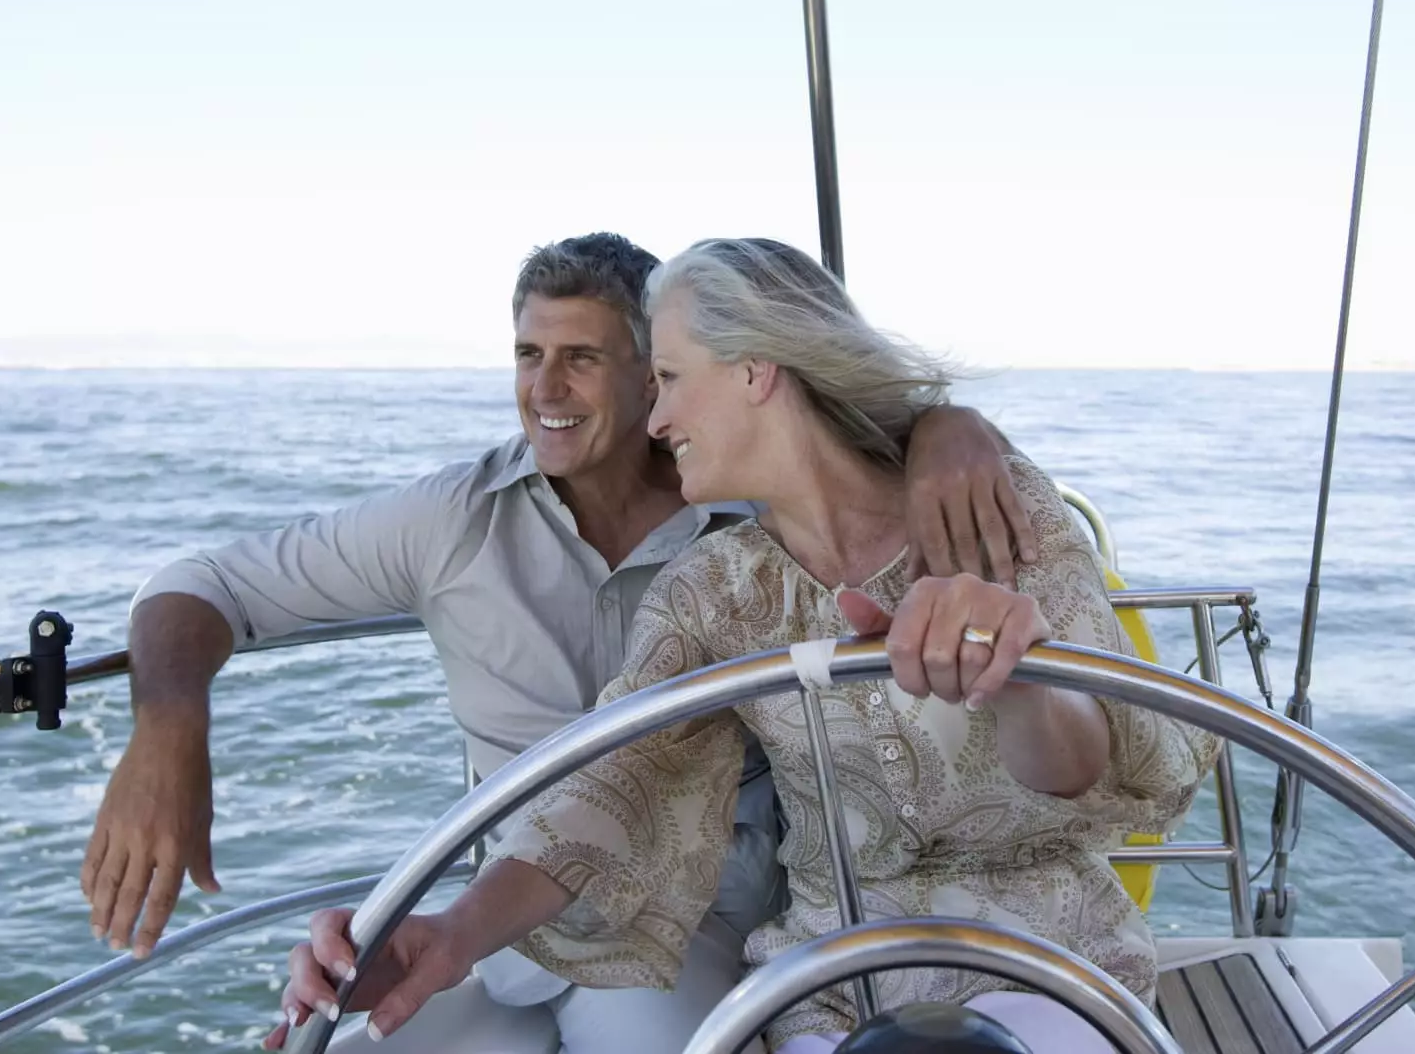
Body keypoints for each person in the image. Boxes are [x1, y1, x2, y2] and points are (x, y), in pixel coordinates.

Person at [85, 232, 1032, 1053]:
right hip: (499, 929)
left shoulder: (750, 518)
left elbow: (847, 447)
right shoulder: (451, 521)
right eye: (528, 353)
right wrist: (167, 734)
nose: (544, 388)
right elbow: (204, 583)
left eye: (581, 357)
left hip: (687, 928)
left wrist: (949, 428)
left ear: (654, 371)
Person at [267, 238, 1219, 1052]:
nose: (656, 419)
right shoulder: (712, 590)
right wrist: (449, 934)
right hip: (834, 975)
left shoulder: (991, 503)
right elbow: (609, 793)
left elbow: (1083, 766)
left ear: (757, 370)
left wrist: (1018, 681)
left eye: (672, 379)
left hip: (1047, 955)